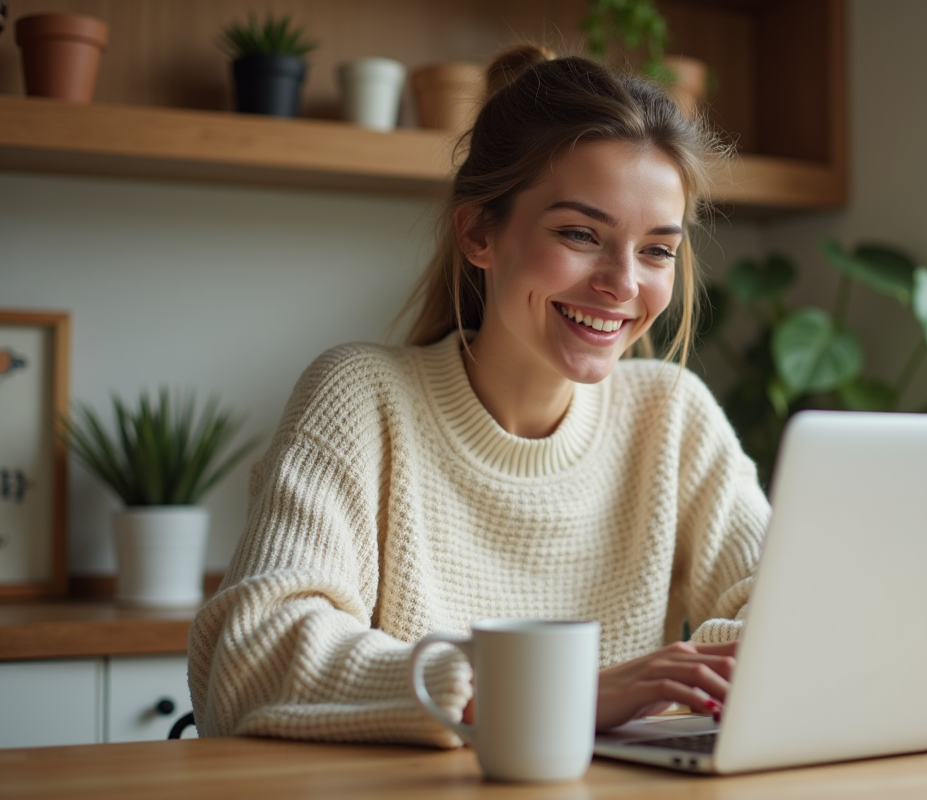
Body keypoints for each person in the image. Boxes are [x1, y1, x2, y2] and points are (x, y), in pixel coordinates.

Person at [187, 44, 771, 746]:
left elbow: (781, 616)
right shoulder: (360, 400)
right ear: (479, 233)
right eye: (581, 234)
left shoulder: (673, 415)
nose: (622, 283)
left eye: (656, 250)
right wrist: (552, 694)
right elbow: (252, 659)